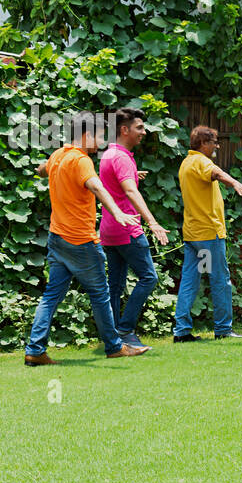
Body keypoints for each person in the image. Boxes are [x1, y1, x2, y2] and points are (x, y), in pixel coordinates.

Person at [23, 113, 146, 365]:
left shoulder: (59, 155)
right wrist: (119, 212)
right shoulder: (81, 161)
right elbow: (97, 187)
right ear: (86, 135)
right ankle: (114, 346)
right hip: (81, 241)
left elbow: (41, 170)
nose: (101, 142)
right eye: (100, 136)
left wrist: (45, 172)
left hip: (57, 239)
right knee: (100, 294)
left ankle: (35, 350)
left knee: (51, 296)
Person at [173, 125, 242, 342]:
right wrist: (235, 182)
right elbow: (215, 173)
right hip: (209, 233)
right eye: (214, 142)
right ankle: (223, 329)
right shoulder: (201, 161)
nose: (216, 146)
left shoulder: (185, 163)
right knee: (220, 280)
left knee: (189, 281)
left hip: (192, 235)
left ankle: (181, 332)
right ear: (203, 143)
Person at [99, 108, 169, 349]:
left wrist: (133, 174)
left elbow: (114, 183)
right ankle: (126, 330)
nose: (144, 132)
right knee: (149, 278)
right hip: (127, 229)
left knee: (115, 286)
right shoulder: (122, 158)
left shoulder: (109, 154)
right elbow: (130, 191)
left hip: (108, 231)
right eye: (139, 128)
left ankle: (112, 336)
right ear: (124, 130)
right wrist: (153, 222)